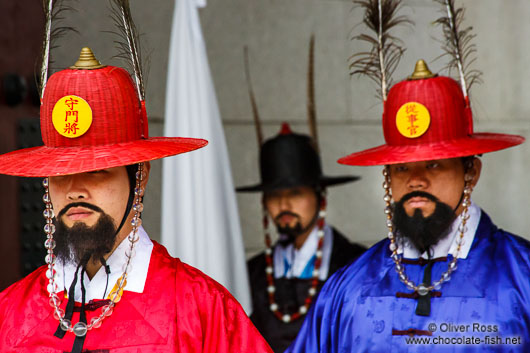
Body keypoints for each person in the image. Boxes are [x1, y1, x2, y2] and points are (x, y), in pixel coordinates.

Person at [0, 48, 272, 353]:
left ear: (139, 176)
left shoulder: (200, 309)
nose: (75, 189)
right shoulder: (11, 314)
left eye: (97, 171)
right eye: (61, 174)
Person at [286, 60, 530, 352]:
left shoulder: (521, 276)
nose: (416, 181)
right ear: (387, 177)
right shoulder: (349, 287)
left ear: (471, 172)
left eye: (434, 164)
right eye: (401, 168)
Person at [238, 123, 366, 352]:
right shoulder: (252, 274)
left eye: (295, 193)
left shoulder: (355, 265)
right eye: (274, 195)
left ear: (320, 196)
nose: (284, 205)